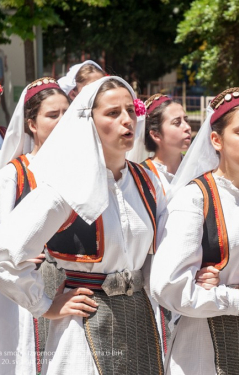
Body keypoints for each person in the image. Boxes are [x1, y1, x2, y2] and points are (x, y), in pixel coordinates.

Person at [0, 76, 167, 374]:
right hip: (85, 322)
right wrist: (46, 305)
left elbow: (166, 253)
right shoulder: (68, 183)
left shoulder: (147, 181)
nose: (126, 120)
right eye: (113, 113)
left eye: (130, 110)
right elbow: (7, 252)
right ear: (88, 122)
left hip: (138, 320)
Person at [150, 87, 239, 374]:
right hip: (204, 339)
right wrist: (232, 300)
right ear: (216, 140)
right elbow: (166, 286)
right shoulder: (195, 198)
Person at [0, 77, 70, 375]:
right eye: (53, 115)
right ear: (31, 124)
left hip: (71, 293)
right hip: (21, 298)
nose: (63, 122)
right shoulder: (12, 176)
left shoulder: (84, 175)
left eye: (68, 114)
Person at [140, 94, 191, 191]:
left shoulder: (195, 169)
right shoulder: (143, 176)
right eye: (177, 122)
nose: (187, 127)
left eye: (186, 120)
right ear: (156, 135)